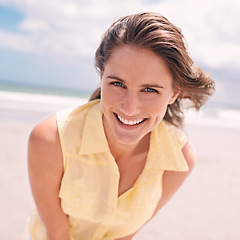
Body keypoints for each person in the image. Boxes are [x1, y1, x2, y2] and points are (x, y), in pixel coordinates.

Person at [27, 12, 215, 240]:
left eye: (150, 90)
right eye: (118, 83)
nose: (129, 108)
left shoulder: (179, 159)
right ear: (101, 76)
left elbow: (125, 235)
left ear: (174, 94)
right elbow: (57, 234)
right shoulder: (50, 140)